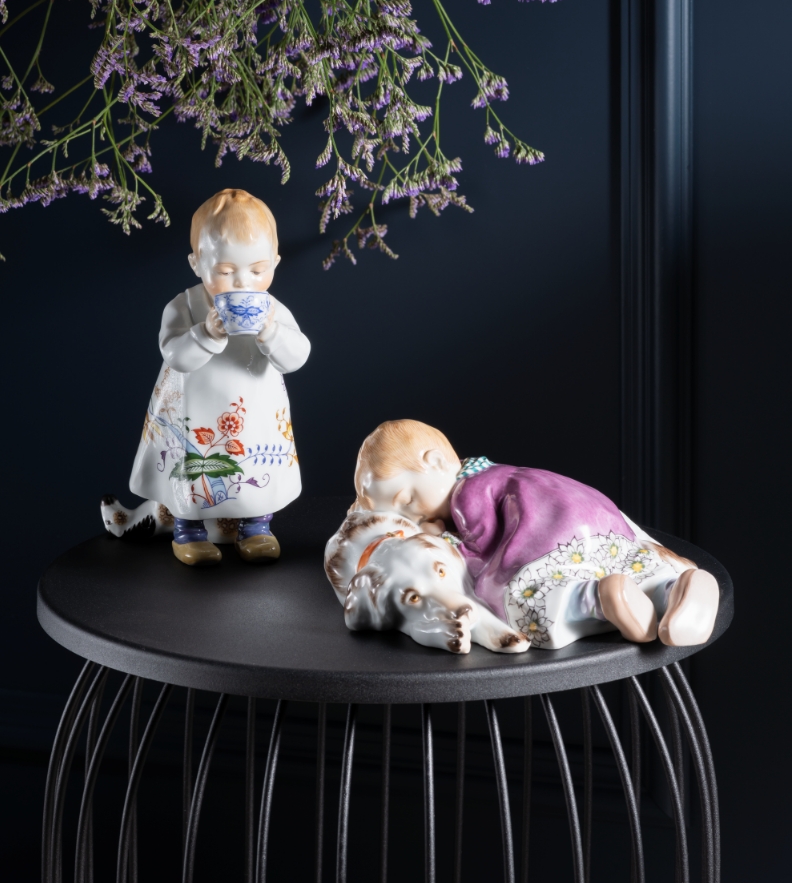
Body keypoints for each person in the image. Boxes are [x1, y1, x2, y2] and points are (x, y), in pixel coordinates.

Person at [350, 419, 719, 649]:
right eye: (403, 513)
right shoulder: (500, 470)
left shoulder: (466, 496)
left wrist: (450, 542)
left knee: (517, 600)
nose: (414, 516)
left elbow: (480, 547)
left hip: (549, 536)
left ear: (436, 463)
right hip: (596, 519)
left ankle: (601, 599)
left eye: (408, 500)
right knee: (627, 560)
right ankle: (676, 588)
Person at [129, 189, 310, 566]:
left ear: (275, 262)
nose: (243, 283)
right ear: (197, 263)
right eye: (226, 272)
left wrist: (271, 333)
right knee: (191, 467)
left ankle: (256, 527)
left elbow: (297, 356)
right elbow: (174, 355)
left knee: (256, 465)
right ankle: (188, 531)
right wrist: (206, 334)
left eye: (258, 270)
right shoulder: (185, 305)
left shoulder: (273, 310)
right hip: (196, 411)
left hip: (254, 412)